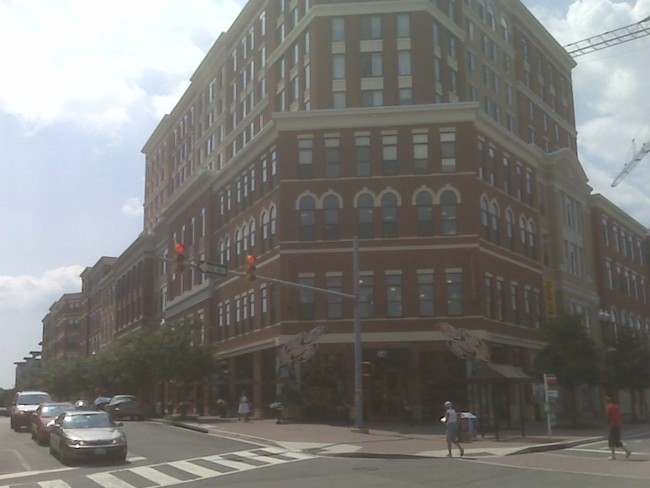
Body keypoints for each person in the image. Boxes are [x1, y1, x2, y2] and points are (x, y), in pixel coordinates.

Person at [605, 396, 631, 460]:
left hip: (613, 425)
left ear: (607, 402)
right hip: (618, 425)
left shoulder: (609, 408)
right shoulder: (616, 407)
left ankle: (613, 456)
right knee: (616, 440)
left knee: (611, 440)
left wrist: (607, 423)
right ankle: (626, 451)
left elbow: (608, 417)